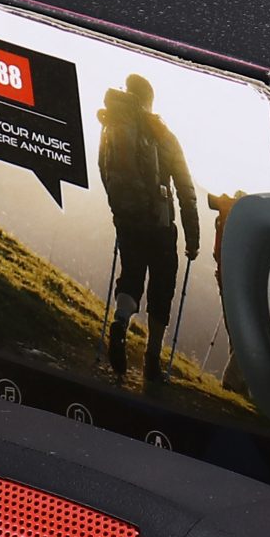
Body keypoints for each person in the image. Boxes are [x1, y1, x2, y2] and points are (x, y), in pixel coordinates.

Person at [96, 73, 199, 387]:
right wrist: (192, 238)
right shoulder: (163, 135)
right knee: (161, 287)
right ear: (150, 100)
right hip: (160, 223)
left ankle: (120, 322)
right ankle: (152, 360)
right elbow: (186, 189)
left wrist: (120, 210)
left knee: (131, 276)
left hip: (127, 218)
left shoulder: (112, 125)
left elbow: (102, 168)